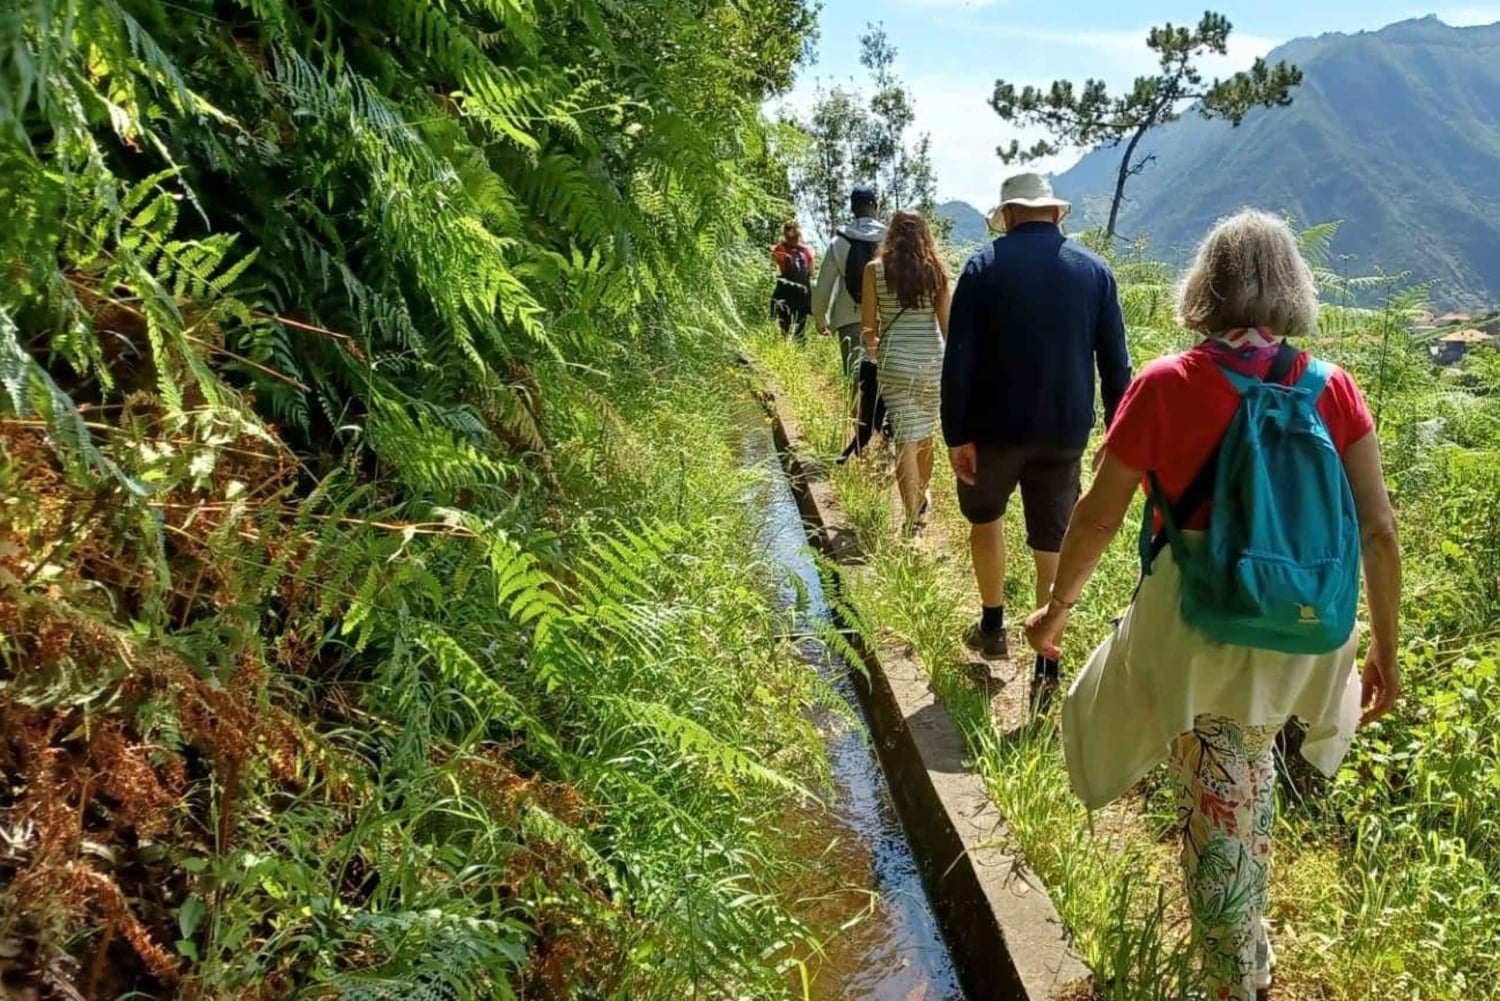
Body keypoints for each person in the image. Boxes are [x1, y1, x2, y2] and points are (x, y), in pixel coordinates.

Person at [1024, 209, 1403, 1000]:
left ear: (1205, 288)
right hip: (1305, 628)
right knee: (1243, 766)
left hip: (1200, 627)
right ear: (1293, 288)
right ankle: (1247, 944)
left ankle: (1237, 977)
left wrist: (1057, 609)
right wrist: (1383, 653)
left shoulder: (1166, 384)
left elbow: (1097, 516)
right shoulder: (1333, 389)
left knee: (1168, 747)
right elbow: (1379, 532)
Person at [941, 172, 1131, 698]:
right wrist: (1119, 436)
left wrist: (956, 432)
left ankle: (993, 626)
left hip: (992, 431)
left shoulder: (982, 268)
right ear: (1054, 213)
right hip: (1064, 433)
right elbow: (1117, 367)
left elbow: (959, 360)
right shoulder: (1094, 271)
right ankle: (1047, 662)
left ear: (1007, 215)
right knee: (1052, 538)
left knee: (986, 518)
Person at [860, 210, 949, 533]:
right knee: (925, 434)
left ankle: (913, 515)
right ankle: (921, 495)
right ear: (925, 235)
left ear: (891, 234)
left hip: (895, 363)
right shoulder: (936, 271)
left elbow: (869, 328)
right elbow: (946, 326)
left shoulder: (874, 271)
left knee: (905, 439)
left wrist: (876, 348)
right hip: (931, 363)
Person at [811, 184, 889, 462]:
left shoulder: (839, 242)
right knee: (886, 380)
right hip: (885, 319)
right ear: (875, 206)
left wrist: (822, 319)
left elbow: (823, 287)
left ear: (852, 208)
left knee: (857, 380)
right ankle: (886, 441)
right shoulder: (890, 239)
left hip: (849, 319)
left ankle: (860, 442)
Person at [770, 221, 814, 340]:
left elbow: (774, 269)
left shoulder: (779, 248)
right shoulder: (807, 251)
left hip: (785, 290)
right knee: (800, 326)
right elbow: (811, 271)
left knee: (784, 325)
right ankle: (800, 348)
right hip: (803, 292)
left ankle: (786, 348)